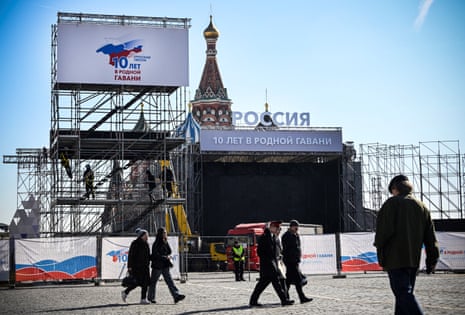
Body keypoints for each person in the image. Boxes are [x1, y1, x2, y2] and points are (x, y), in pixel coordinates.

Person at [375, 175, 439, 315]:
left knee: (404, 295)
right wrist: (432, 259)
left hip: (395, 259)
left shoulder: (392, 203)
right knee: (402, 298)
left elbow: (383, 233)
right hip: (413, 260)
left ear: (394, 189)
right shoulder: (422, 206)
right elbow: (431, 238)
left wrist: (380, 250)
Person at [249, 220, 294, 307]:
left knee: (262, 285)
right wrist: (268, 261)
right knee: (275, 284)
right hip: (268, 265)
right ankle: (284, 300)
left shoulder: (272, 237)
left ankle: (253, 300)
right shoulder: (265, 237)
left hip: (271, 265)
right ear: (272, 227)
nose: (278, 229)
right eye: (277, 228)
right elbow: (259, 251)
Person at [148, 227, 185, 304]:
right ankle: (151, 298)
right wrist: (165, 257)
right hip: (157, 266)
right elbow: (155, 255)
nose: (165, 234)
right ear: (160, 234)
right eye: (164, 233)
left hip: (165, 265)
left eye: (166, 233)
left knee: (170, 281)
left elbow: (169, 251)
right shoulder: (156, 244)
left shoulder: (165, 242)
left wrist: (166, 243)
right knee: (153, 282)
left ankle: (176, 296)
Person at [281, 219, 313, 304]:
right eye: (295, 226)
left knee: (288, 280)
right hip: (290, 261)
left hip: (295, 260)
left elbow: (298, 247)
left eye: (297, 227)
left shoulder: (296, 235)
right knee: (298, 280)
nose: (297, 228)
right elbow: (287, 249)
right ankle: (301, 297)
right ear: (291, 227)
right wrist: (290, 258)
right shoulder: (286, 236)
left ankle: (284, 297)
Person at [122, 228, 151, 304]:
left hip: (145, 267)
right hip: (137, 267)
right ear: (141, 236)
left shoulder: (147, 244)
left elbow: (148, 256)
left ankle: (143, 299)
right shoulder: (135, 243)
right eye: (146, 235)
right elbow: (131, 255)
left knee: (146, 283)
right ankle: (125, 292)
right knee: (136, 282)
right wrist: (129, 267)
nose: (147, 236)